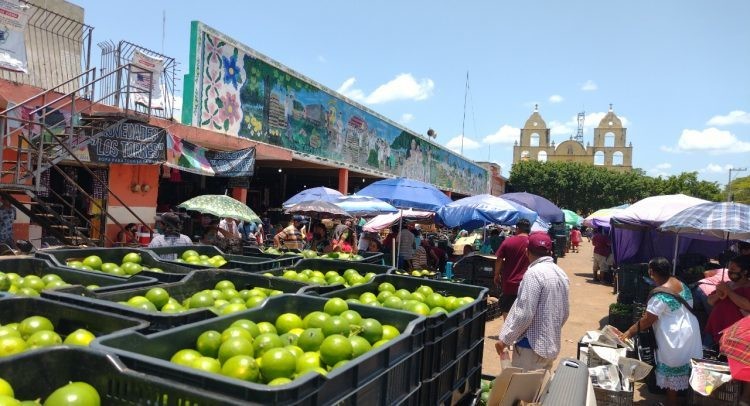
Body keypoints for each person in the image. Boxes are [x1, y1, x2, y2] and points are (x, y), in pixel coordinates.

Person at [619, 257, 702, 406]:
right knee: (686, 369)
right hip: (691, 331)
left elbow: (647, 320)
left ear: (651, 272)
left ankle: (671, 403)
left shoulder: (660, 295)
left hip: (674, 336)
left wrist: (629, 332)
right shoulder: (682, 284)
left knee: (672, 372)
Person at [495, 232, 570, 372]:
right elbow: (565, 313)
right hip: (549, 346)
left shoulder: (533, 274)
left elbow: (524, 314)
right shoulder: (561, 273)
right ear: (550, 252)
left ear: (526, 252)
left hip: (530, 349)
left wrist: (505, 340)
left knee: (524, 391)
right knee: (540, 390)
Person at [705, 255, 750, 346]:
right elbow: (710, 301)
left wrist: (729, 291)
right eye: (729, 268)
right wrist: (719, 293)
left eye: (733, 269)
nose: (730, 271)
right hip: (714, 327)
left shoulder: (747, 287)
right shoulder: (726, 284)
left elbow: (747, 305)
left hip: (734, 334)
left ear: (745, 271)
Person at [493, 219, 531, 316]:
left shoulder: (508, 241)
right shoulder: (532, 243)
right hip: (528, 284)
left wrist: (496, 275)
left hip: (510, 283)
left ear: (517, 229)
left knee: (508, 314)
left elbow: (499, 259)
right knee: (525, 314)